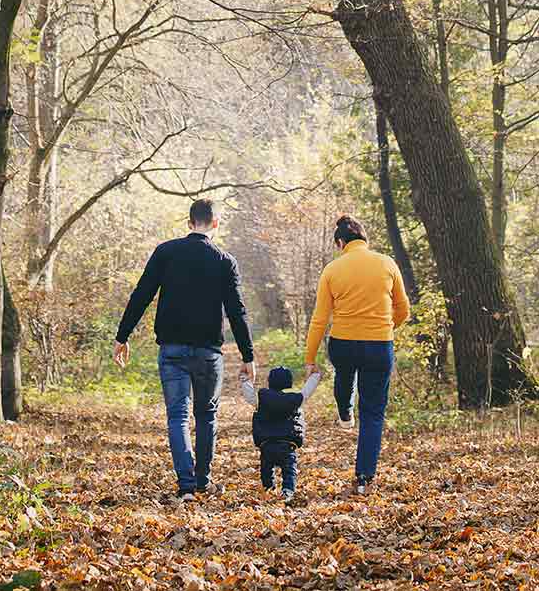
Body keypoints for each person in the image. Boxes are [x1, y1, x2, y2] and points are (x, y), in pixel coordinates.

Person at [114, 198, 255, 502]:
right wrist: (248, 356)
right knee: (206, 416)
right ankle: (203, 480)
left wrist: (122, 335)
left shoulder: (166, 252)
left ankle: (186, 486)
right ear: (214, 224)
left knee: (177, 416)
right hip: (208, 353)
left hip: (172, 349)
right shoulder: (224, 260)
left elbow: (142, 295)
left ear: (190, 222)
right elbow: (237, 311)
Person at [302, 214, 410, 495]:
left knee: (344, 376)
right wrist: (387, 327)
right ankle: (364, 477)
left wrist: (310, 358)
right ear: (365, 239)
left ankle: (344, 411)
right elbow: (403, 309)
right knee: (373, 412)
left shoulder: (333, 269)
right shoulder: (387, 263)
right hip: (379, 345)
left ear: (341, 242)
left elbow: (319, 319)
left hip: (343, 343)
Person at [241, 364, 327, 501]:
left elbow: (249, 395)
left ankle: (268, 488)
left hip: (267, 444)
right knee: (289, 470)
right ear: (289, 382)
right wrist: (315, 376)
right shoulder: (294, 400)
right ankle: (288, 490)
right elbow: (306, 392)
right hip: (288, 444)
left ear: (269, 382)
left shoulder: (262, 398)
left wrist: (245, 378)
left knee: (266, 468)